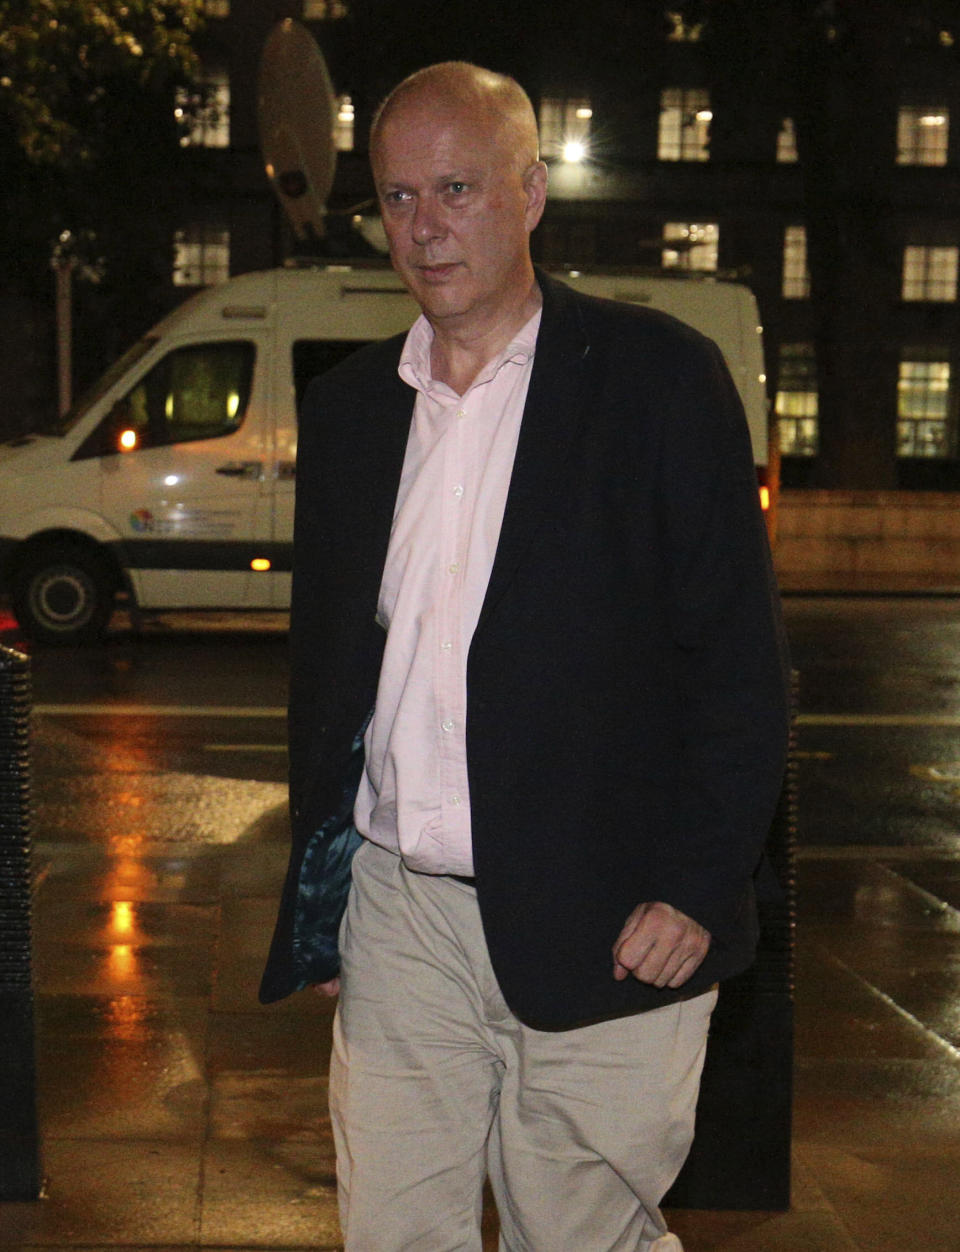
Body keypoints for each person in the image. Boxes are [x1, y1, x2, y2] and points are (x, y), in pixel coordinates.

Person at [260, 61, 791, 1252]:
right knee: (394, 1234)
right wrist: (327, 900)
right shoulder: (352, 412)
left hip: (611, 914)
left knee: (582, 1236)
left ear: (531, 192)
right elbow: (333, 683)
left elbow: (740, 668)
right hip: (403, 916)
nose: (426, 225)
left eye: (456, 187)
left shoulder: (655, 381)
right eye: (399, 197)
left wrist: (701, 884)